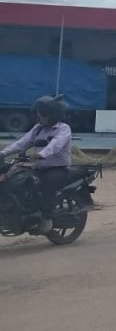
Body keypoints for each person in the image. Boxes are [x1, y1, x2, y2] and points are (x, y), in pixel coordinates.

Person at [0, 96, 73, 233]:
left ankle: (47, 219)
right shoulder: (38, 129)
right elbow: (22, 143)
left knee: (46, 185)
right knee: (12, 178)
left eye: (42, 113)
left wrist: (41, 154)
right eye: (38, 112)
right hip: (37, 167)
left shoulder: (63, 129)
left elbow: (55, 145)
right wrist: (3, 153)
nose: (38, 116)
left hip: (57, 169)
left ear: (52, 114)